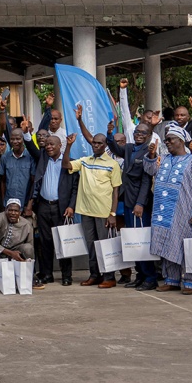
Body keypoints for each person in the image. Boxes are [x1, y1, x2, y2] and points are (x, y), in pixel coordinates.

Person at [143, 126, 192, 295]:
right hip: (162, 212)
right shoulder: (163, 159)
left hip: (184, 212)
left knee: (186, 247)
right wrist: (151, 155)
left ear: (180, 141)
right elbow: (150, 170)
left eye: (170, 139)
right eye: (166, 140)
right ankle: (171, 280)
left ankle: (191, 281)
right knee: (167, 245)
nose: (167, 142)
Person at [63, 112, 122, 289]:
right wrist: (68, 146)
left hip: (104, 213)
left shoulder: (112, 164)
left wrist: (112, 214)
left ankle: (109, 277)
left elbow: (116, 191)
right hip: (85, 211)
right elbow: (66, 165)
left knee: (105, 245)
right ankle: (95, 275)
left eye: (99, 143)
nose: (95, 145)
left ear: (105, 145)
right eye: (94, 143)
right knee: (91, 246)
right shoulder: (85, 161)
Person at [106, 123, 157, 289]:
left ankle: (150, 277)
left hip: (139, 203)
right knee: (133, 240)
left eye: (143, 132)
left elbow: (146, 180)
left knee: (141, 241)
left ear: (149, 135)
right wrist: (109, 133)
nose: (139, 135)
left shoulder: (149, 152)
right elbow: (114, 148)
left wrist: (140, 203)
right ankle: (140, 275)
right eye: (137, 132)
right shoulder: (128, 148)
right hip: (127, 201)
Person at [28, 135, 78, 285]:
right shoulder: (43, 160)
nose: (48, 147)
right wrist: (26, 133)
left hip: (61, 208)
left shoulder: (69, 163)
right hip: (43, 206)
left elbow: (75, 188)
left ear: (60, 146)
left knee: (63, 242)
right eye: (47, 144)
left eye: (52, 144)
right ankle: (47, 274)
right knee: (45, 242)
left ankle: (66, 276)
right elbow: (31, 146)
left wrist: (71, 206)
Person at [0, 201, 35, 288]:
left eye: (16, 211)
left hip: (17, 254)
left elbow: (30, 244)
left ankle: (28, 278)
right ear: (6, 210)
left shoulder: (26, 224)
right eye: (10, 210)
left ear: (20, 212)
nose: (13, 213)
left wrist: (20, 256)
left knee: (28, 248)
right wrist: (9, 253)